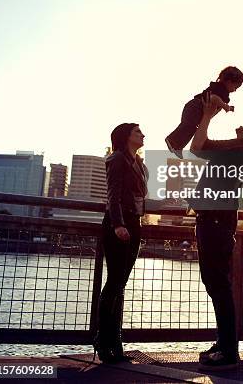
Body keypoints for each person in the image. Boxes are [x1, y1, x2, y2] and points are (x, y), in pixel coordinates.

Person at [189, 94, 243, 371]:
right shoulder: (240, 147)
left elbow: (197, 146)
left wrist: (207, 115)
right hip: (216, 221)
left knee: (218, 285)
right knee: (216, 284)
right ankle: (224, 343)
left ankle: (228, 351)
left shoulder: (240, 146)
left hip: (215, 221)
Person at [93, 122, 148, 363]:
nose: (143, 134)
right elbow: (113, 194)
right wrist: (118, 224)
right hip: (120, 225)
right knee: (114, 283)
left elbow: (138, 196)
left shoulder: (139, 162)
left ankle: (114, 342)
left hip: (134, 223)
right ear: (125, 136)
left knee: (120, 284)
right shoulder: (116, 159)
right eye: (138, 132)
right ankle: (104, 341)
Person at [165, 66, 243, 158]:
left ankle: (178, 146)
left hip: (196, 110)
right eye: (235, 87)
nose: (235, 90)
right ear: (229, 81)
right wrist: (225, 106)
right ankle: (172, 140)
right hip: (195, 107)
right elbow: (213, 98)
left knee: (191, 128)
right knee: (188, 126)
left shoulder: (220, 90)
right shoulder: (220, 90)